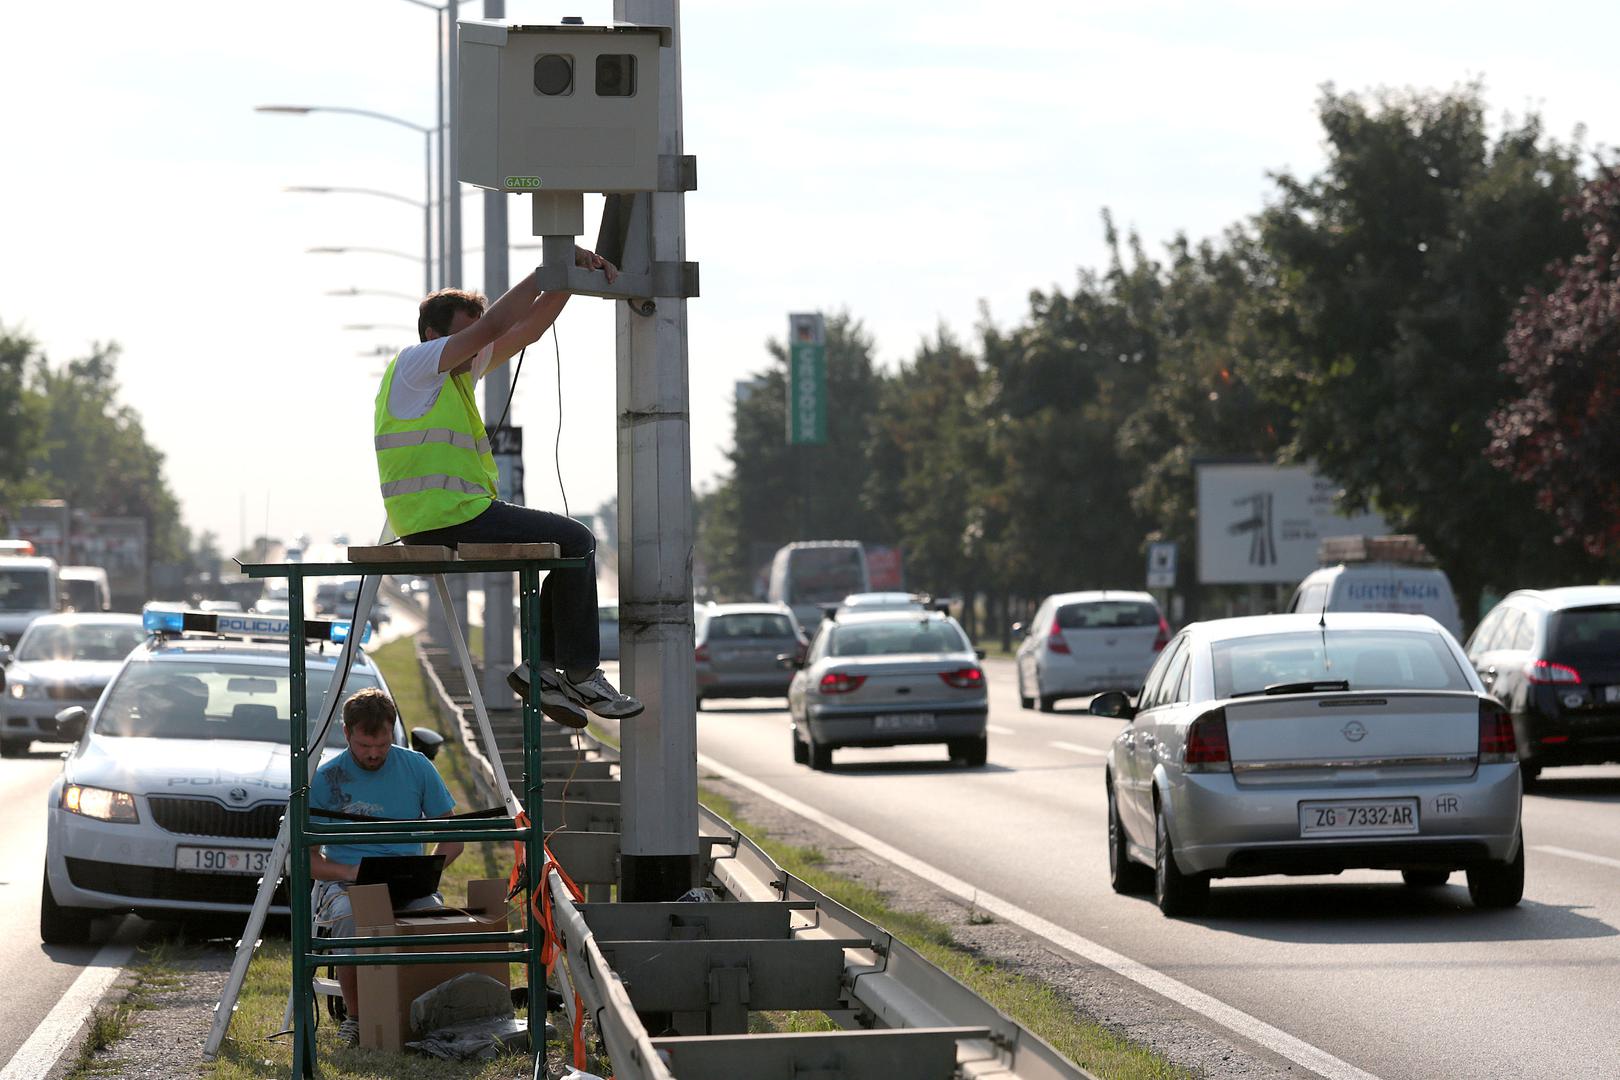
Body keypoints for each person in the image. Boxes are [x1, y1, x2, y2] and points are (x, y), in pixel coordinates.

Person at [373, 247, 641, 728]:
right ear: (434, 336)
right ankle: (577, 673)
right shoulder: (416, 365)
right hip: (446, 517)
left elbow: (527, 330)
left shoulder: (455, 373)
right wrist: (543, 272)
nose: (476, 351)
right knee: (577, 540)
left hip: (450, 516)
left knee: (560, 547)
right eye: (464, 337)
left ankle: (541, 668)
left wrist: (566, 277)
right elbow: (494, 328)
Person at [308, 688, 464, 1046]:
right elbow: (308, 858)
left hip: (408, 883)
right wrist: (349, 873)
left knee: (434, 919)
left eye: (382, 744)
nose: (375, 754)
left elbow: (454, 835)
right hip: (347, 884)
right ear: (346, 734)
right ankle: (357, 1018)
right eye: (365, 746)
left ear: (393, 732)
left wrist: (425, 870)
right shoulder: (325, 778)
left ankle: (421, 1017)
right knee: (350, 918)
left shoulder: (417, 767)